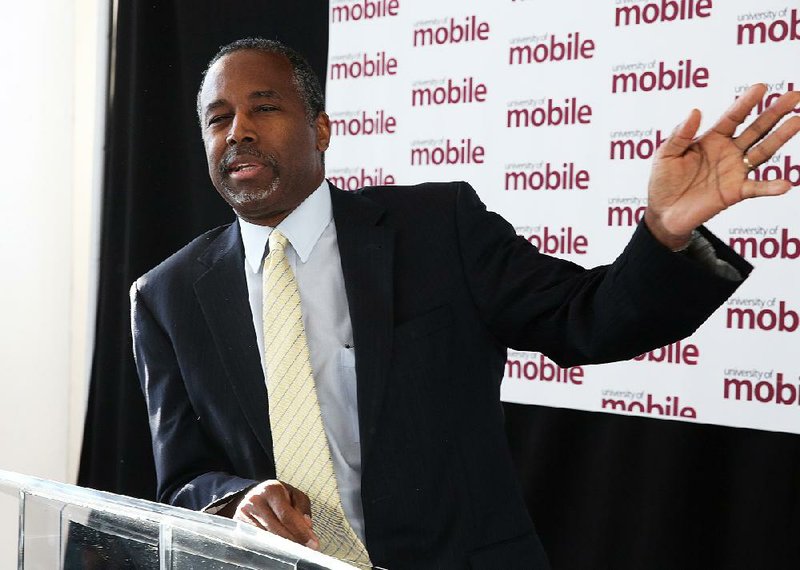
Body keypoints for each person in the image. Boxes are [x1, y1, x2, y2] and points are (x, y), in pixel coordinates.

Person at [130, 37, 800, 569]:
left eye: (264, 108)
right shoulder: (165, 296)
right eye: (218, 119)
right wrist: (237, 497)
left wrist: (664, 231)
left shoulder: (436, 226)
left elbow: (586, 319)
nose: (238, 131)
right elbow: (183, 479)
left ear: (322, 129)